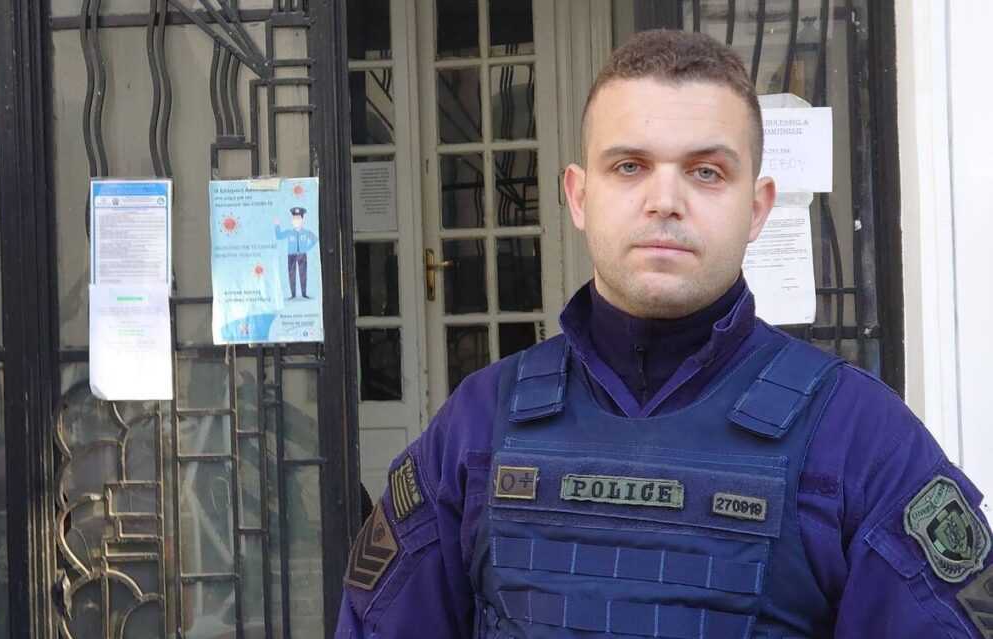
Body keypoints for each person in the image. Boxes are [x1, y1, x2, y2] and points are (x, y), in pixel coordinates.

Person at [335, 30, 993, 638]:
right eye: (629, 166)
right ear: (579, 195)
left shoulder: (861, 439)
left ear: (757, 206)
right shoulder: (477, 426)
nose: (665, 201)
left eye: (707, 171)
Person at [275, 206, 318, 299]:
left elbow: (315, 239)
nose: (296, 221)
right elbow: (279, 236)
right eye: (294, 219)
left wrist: (306, 248)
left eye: (298, 219)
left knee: (303, 273)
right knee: (291, 274)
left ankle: (304, 293)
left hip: (302, 255)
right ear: (292, 221)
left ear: (302, 220)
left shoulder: (306, 232)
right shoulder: (289, 232)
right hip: (291, 255)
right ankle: (293, 294)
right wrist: (277, 225)